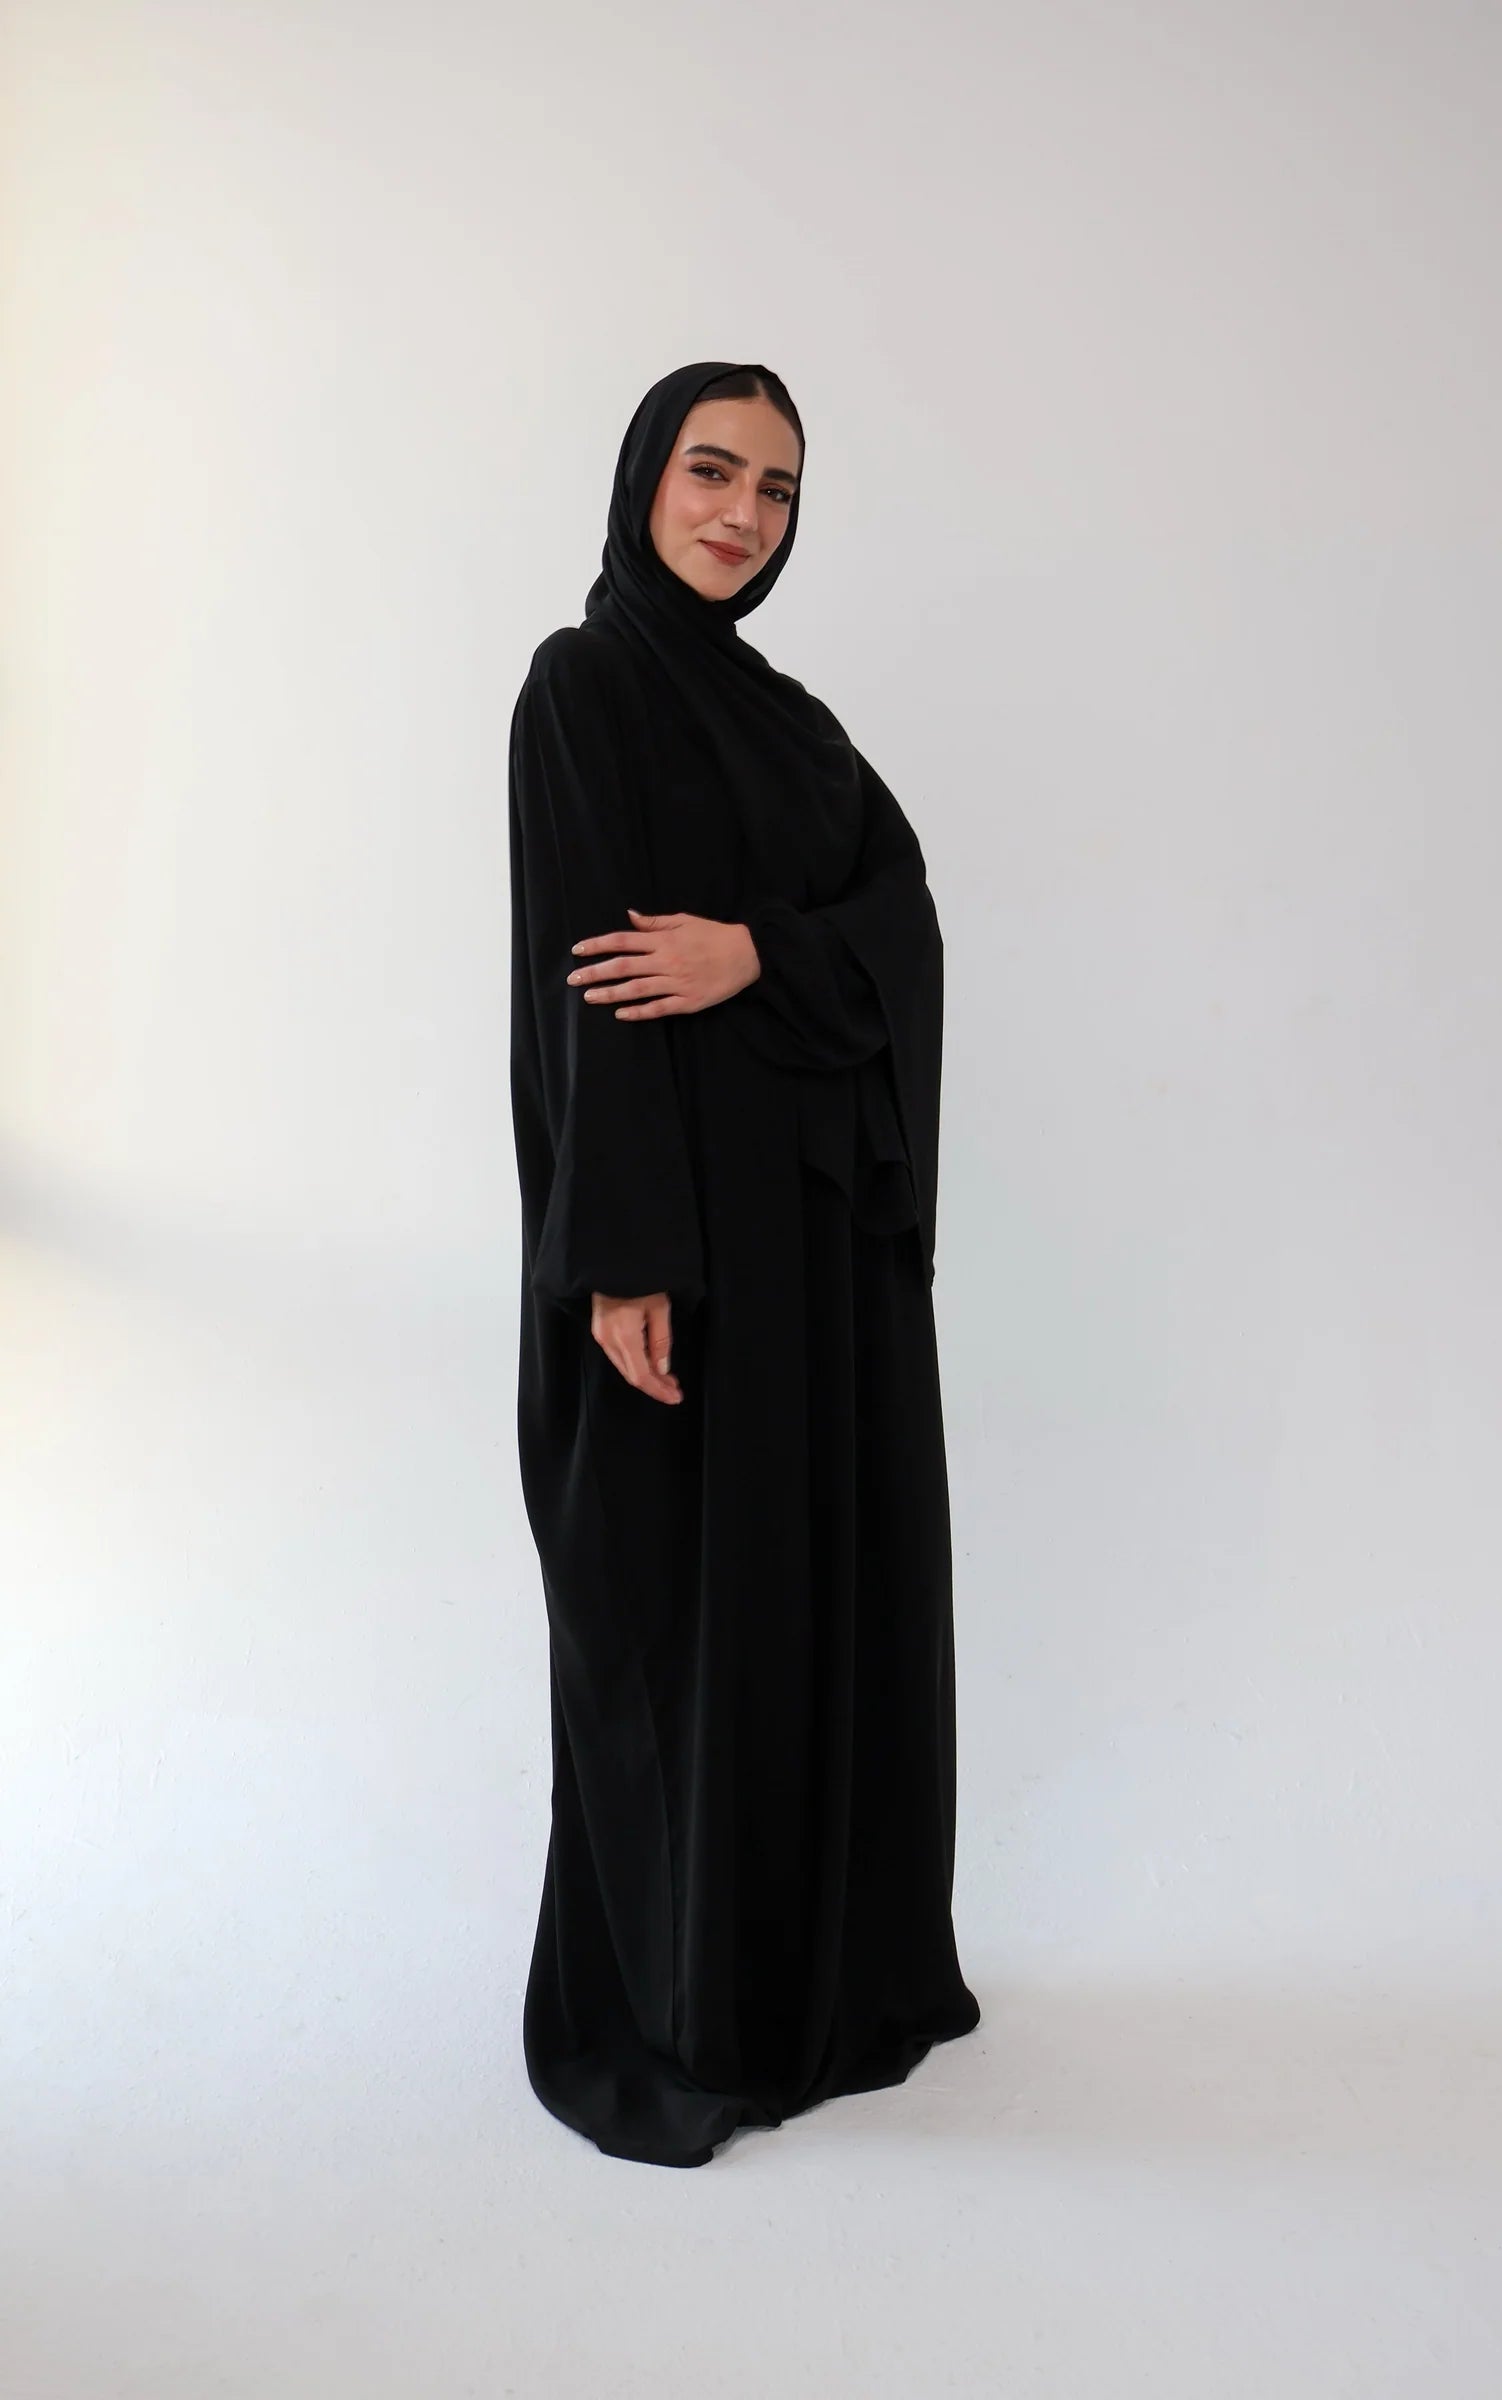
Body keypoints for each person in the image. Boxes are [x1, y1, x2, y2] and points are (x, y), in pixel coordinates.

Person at [508, 358, 980, 2169]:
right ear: (645, 477)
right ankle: (697, 2006)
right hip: (681, 1253)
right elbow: (581, 987)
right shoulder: (584, 689)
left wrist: (755, 953)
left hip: (818, 1263)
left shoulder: (796, 726)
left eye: (777, 489)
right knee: (676, 1615)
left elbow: (901, 914)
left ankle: (829, 1984)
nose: (741, 513)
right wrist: (620, 1259)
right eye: (713, 471)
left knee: (818, 1595)